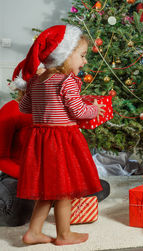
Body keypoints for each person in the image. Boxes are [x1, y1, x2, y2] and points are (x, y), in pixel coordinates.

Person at [11, 25, 105, 246]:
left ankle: (33, 232)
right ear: (64, 55)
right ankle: (64, 234)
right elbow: (78, 111)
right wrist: (95, 109)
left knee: (48, 191)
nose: (84, 62)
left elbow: (24, 108)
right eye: (81, 56)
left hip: (40, 142)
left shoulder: (36, 80)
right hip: (61, 141)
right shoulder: (66, 81)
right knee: (64, 190)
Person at [0, 92, 35, 227]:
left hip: (46, 177)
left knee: (100, 187)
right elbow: (1, 157)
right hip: (16, 177)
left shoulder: (52, 110)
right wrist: (29, 177)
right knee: (16, 213)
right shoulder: (12, 109)